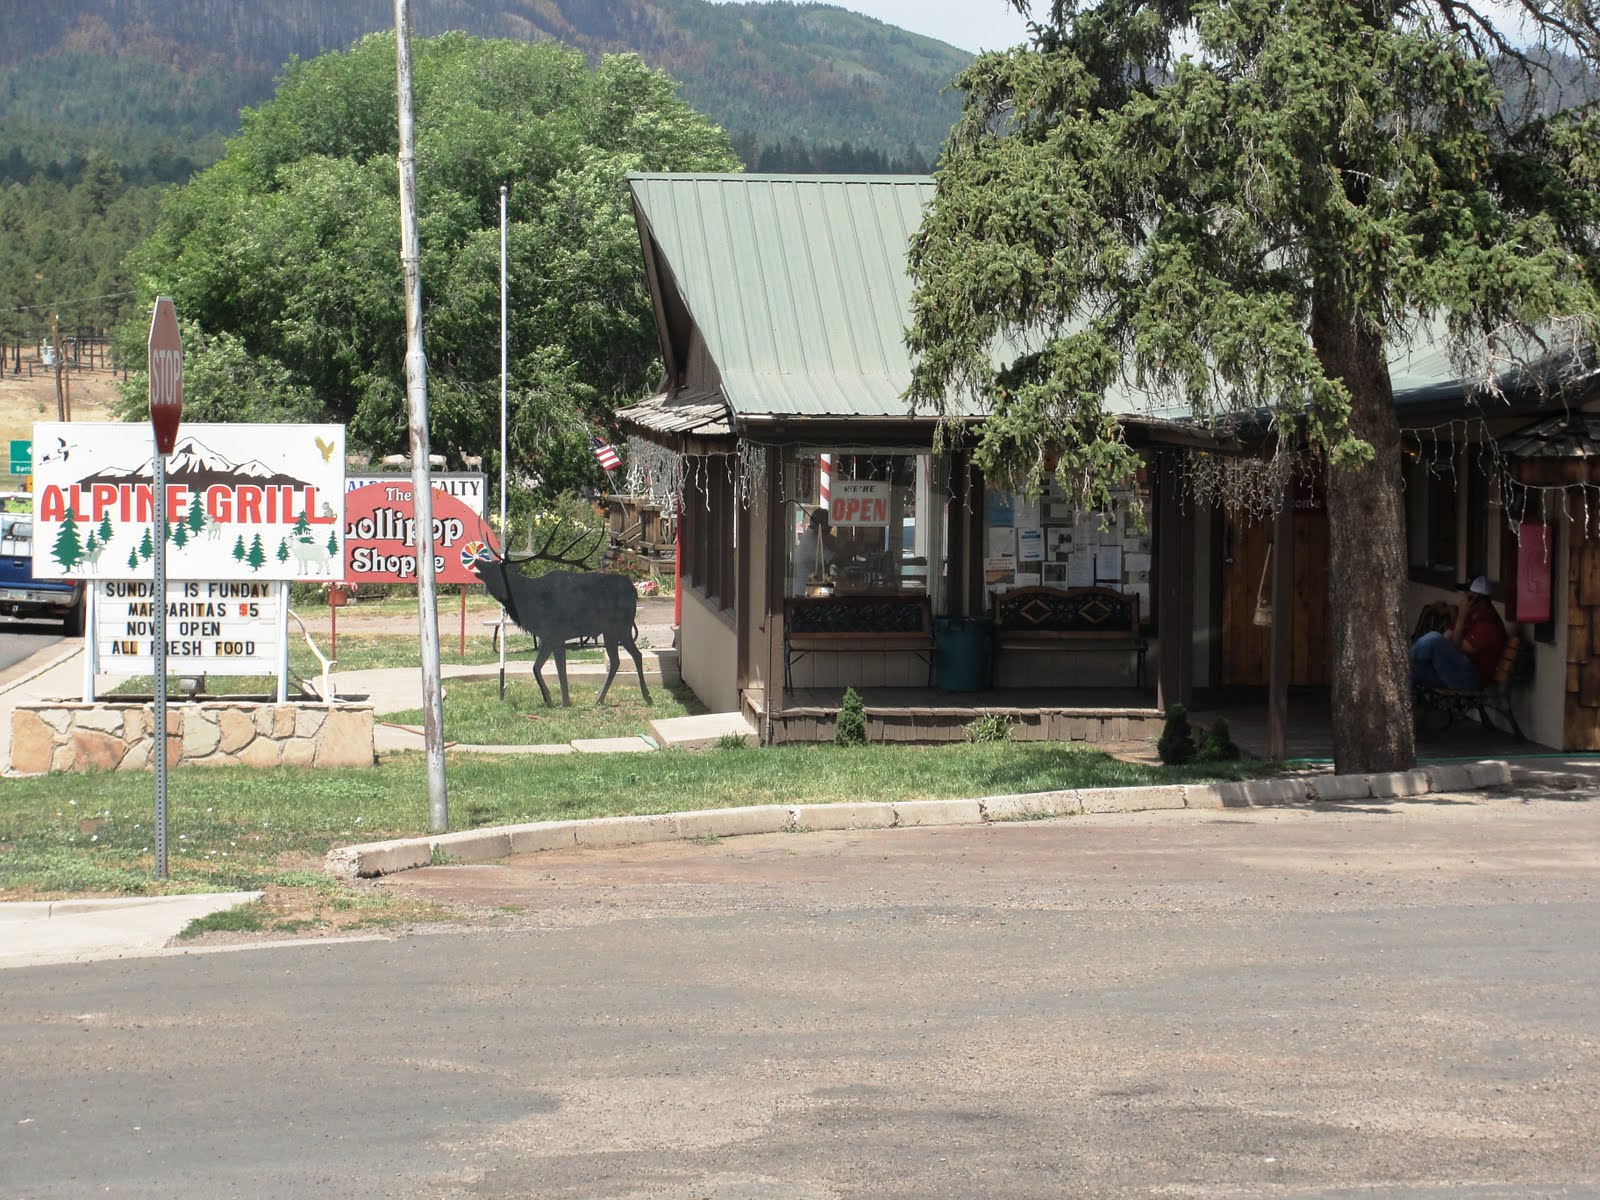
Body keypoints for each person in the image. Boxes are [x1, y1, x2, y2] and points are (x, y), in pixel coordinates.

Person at [1410, 575, 1507, 691]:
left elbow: (1457, 647)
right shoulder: (1470, 614)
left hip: (1472, 679)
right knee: (1411, 670)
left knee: (1433, 638)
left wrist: (1461, 618)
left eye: (1467, 594)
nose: (1463, 597)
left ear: (1476, 598)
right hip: (1455, 671)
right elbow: (1445, 638)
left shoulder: (1489, 624)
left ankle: (1400, 659)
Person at [792, 508, 833, 595]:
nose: (831, 527)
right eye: (829, 524)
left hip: (810, 589)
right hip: (805, 592)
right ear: (820, 525)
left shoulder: (816, 535)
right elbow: (833, 559)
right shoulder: (812, 540)